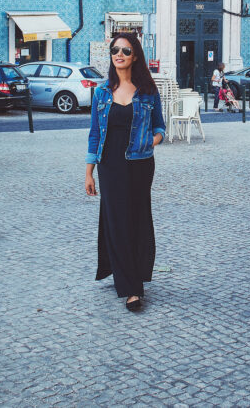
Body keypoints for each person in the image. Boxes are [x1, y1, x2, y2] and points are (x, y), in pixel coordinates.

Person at [85, 33, 165, 312]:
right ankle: (131, 289)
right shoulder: (101, 92)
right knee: (116, 220)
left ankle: (132, 271)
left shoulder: (147, 91)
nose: (119, 54)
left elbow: (160, 128)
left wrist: (151, 141)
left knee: (137, 219)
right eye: (114, 50)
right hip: (110, 165)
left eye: (125, 50)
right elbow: (95, 133)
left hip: (141, 163)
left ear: (135, 56)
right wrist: (89, 172)